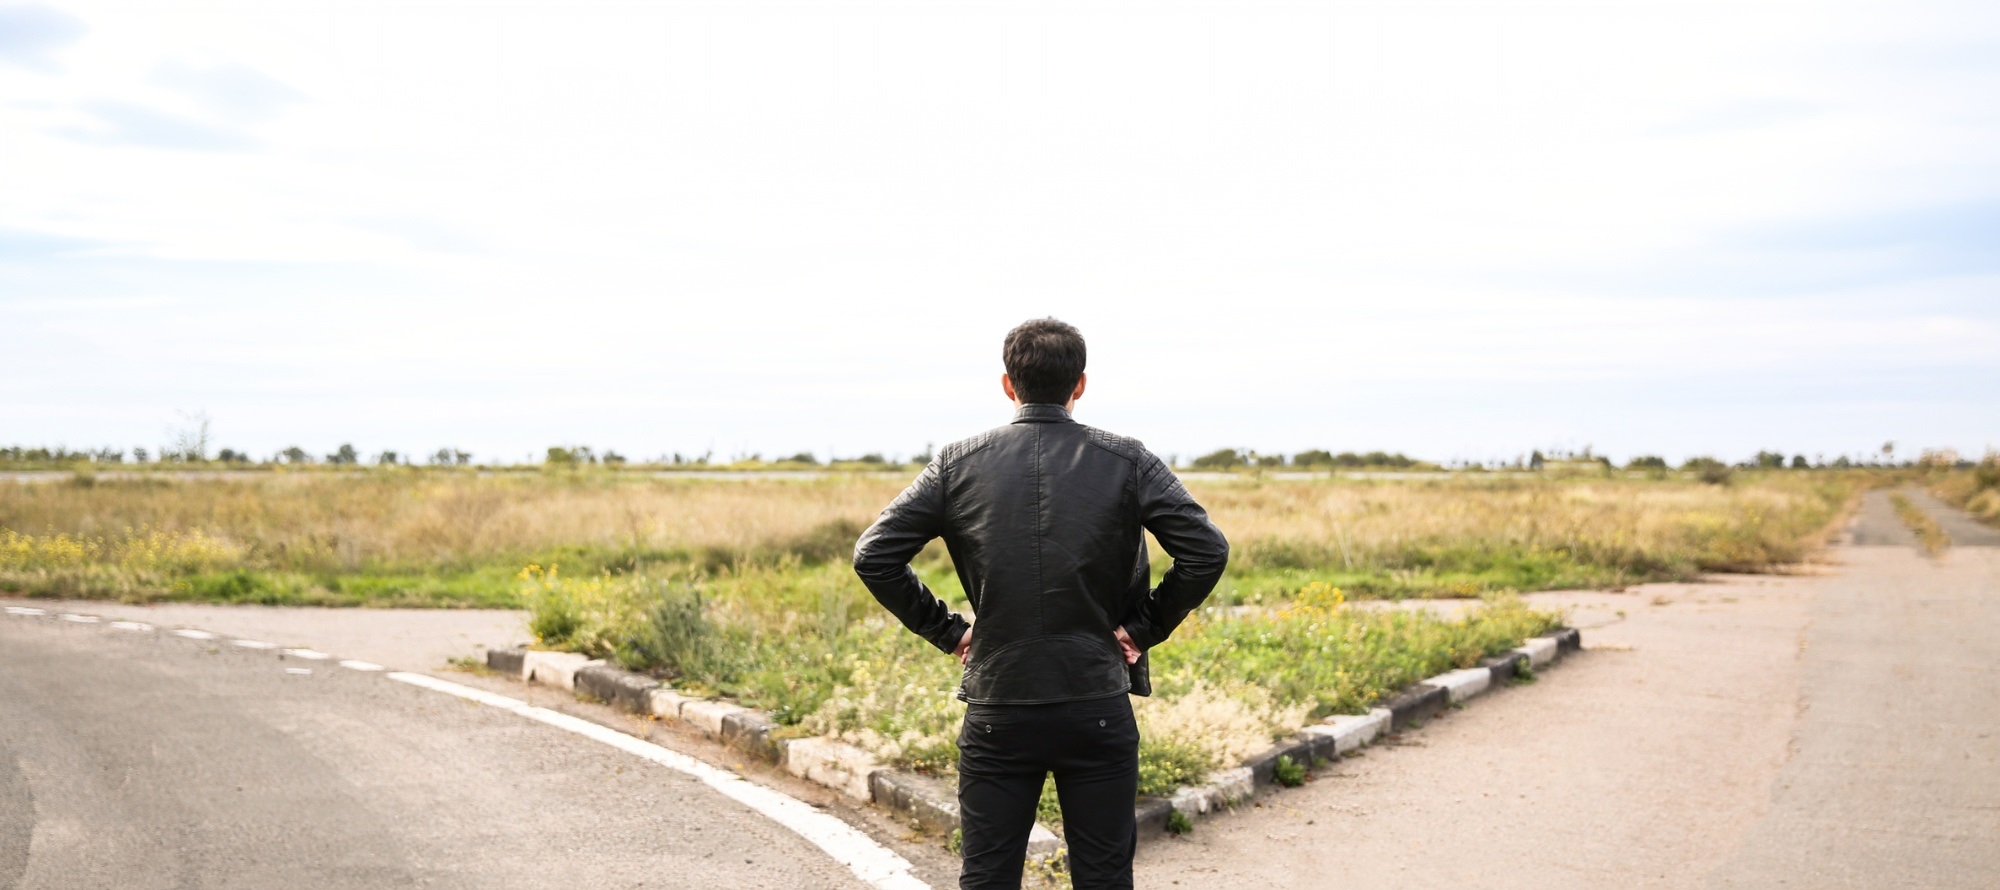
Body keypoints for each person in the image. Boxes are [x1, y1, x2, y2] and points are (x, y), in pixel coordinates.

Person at [852, 318, 1230, 889]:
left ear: (1009, 385)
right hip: (1095, 700)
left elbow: (874, 555)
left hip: (999, 704)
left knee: (987, 876)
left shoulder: (957, 463)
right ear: (1080, 384)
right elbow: (1206, 552)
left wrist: (950, 632)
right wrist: (1142, 628)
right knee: (1104, 876)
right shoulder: (1128, 460)